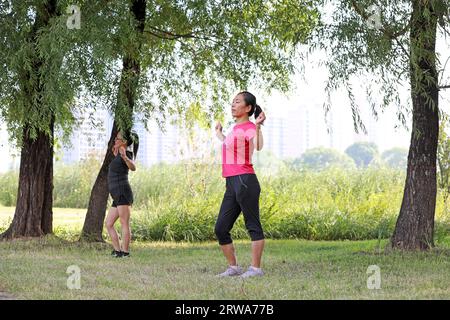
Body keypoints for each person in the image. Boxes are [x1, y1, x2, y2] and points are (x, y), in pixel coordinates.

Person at [214, 91, 266, 278]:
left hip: (245, 180)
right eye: (232, 102)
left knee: (252, 225)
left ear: (248, 108)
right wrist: (220, 134)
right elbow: (229, 145)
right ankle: (233, 267)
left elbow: (258, 146)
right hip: (231, 183)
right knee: (221, 228)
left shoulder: (250, 127)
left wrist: (259, 127)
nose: (233, 105)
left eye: (237, 102)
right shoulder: (235, 129)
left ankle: (256, 269)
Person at [105, 130, 139, 258]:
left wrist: (124, 156)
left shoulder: (127, 153)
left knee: (124, 223)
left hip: (123, 192)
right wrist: (118, 154)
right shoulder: (119, 154)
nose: (115, 140)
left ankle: (125, 252)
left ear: (124, 142)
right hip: (117, 194)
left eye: (117, 138)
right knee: (108, 223)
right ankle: (117, 250)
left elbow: (133, 167)